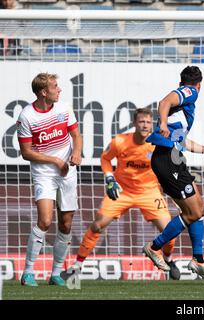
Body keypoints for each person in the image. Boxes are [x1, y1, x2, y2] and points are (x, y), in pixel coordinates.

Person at [64, 108, 180, 280]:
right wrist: (110, 178)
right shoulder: (120, 141)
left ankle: (169, 260)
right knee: (97, 225)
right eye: (141, 121)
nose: (145, 125)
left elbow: (171, 166)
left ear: (152, 124)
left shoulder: (159, 143)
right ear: (134, 123)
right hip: (122, 191)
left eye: (148, 122)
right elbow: (105, 158)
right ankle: (77, 266)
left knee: (169, 230)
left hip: (149, 191)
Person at [142, 65, 204, 282]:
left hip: (174, 158)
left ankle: (198, 260)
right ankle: (154, 247)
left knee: (198, 209)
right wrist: (161, 122)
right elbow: (164, 102)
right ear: (199, 84)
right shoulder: (191, 92)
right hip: (166, 159)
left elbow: (183, 140)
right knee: (193, 212)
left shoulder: (182, 111)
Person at [17, 73, 83, 286]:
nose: (59, 89)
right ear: (44, 92)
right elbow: (26, 152)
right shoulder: (27, 116)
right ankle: (28, 272)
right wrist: (54, 160)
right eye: (55, 86)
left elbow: (76, 136)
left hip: (68, 172)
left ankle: (56, 274)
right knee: (45, 220)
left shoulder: (64, 108)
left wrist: (76, 153)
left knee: (65, 224)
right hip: (44, 173)